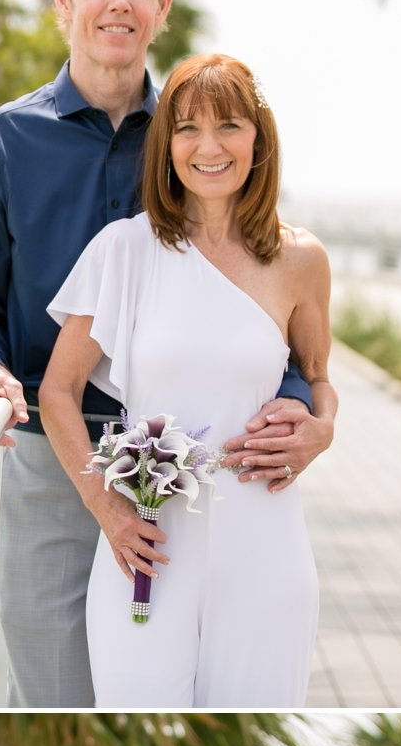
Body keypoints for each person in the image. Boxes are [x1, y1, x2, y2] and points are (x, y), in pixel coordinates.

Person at [0, 0, 334, 708]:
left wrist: (307, 416)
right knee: (54, 701)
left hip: (196, 488)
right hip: (58, 467)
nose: (118, 3)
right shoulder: (0, 144)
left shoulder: (201, 128)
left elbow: (265, 318)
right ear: (64, 0)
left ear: (162, 5)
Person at [39, 55, 333, 709]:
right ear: (165, 144)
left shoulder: (301, 260)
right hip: (148, 547)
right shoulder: (124, 249)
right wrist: (105, 509)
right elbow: (58, 391)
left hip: (265, 542)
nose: (208, 147)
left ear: (258, 136)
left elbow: (318, 378)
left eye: (228, 125)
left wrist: (321, 432)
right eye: (187, 128)